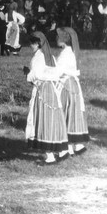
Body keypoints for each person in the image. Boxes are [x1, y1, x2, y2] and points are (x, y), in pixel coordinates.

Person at [24, 32, 68, 164]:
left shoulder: (38, 57)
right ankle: (61, 151)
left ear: (38, 43)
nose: (30, 45)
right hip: (52, 91)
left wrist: (27, 74)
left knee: (43, 121)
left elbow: (35, 75)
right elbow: (58, 73)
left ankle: (49, 157)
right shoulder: (51, 57)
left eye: (32, 43)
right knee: (53, 120)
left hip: (42, 91)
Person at [56, 27, 88, 156]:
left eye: (58, 37)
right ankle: (71, 146)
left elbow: (58, 72)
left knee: (64, 114)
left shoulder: (65, 54)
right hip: (71, 85)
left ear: (63, 40)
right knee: (70, 114)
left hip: (66, 86)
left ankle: (66, 146)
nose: (56, 39)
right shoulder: (69, 52)